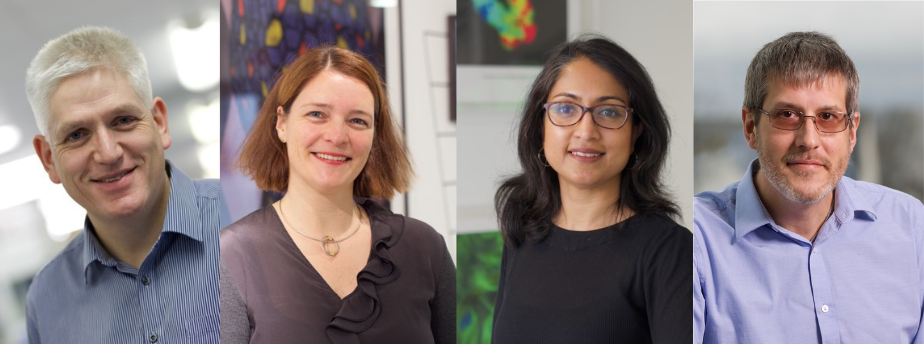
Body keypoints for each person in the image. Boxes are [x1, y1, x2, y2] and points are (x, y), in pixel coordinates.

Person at [693, 31, 924, 343]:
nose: (809, 140)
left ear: (852, 133)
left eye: (828, 117)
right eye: (787, 115)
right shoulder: (695, 239)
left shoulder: (911, 226)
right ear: (750, 128)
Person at [219, 46, 455, 344]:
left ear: (374, 135)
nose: (337, 136)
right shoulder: (232, 256)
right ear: (282, 123)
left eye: (358, 121)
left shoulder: (425, 248)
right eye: (317, 114)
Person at [25, 27, 221, 343]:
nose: (108, 152)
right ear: (48, 158)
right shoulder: (47, 300)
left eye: (123, 121)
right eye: (76, 135)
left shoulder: (252, 220)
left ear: (159, 122)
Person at [491, 35, 691, 343]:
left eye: (609, 112)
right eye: (566, 109)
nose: (586, 131)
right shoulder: (522, 233)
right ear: (540, 122)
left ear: (636, 130)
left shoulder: (669, 251)